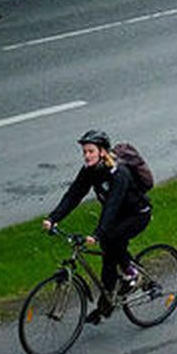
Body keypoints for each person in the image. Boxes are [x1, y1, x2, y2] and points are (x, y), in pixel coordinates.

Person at [42, 129, 152, 325]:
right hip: (117, 216)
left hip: (137, 214)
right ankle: (106, 306)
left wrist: (98, 234)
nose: (86, 155)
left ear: (102, 152)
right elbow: (73, 195)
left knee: (112, 240)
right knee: (108, 258)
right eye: (84, 152)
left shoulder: (119, 174)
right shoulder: (89, 171)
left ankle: (133, 274)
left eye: (90, 151)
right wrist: (53, 218)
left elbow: (112, 206)